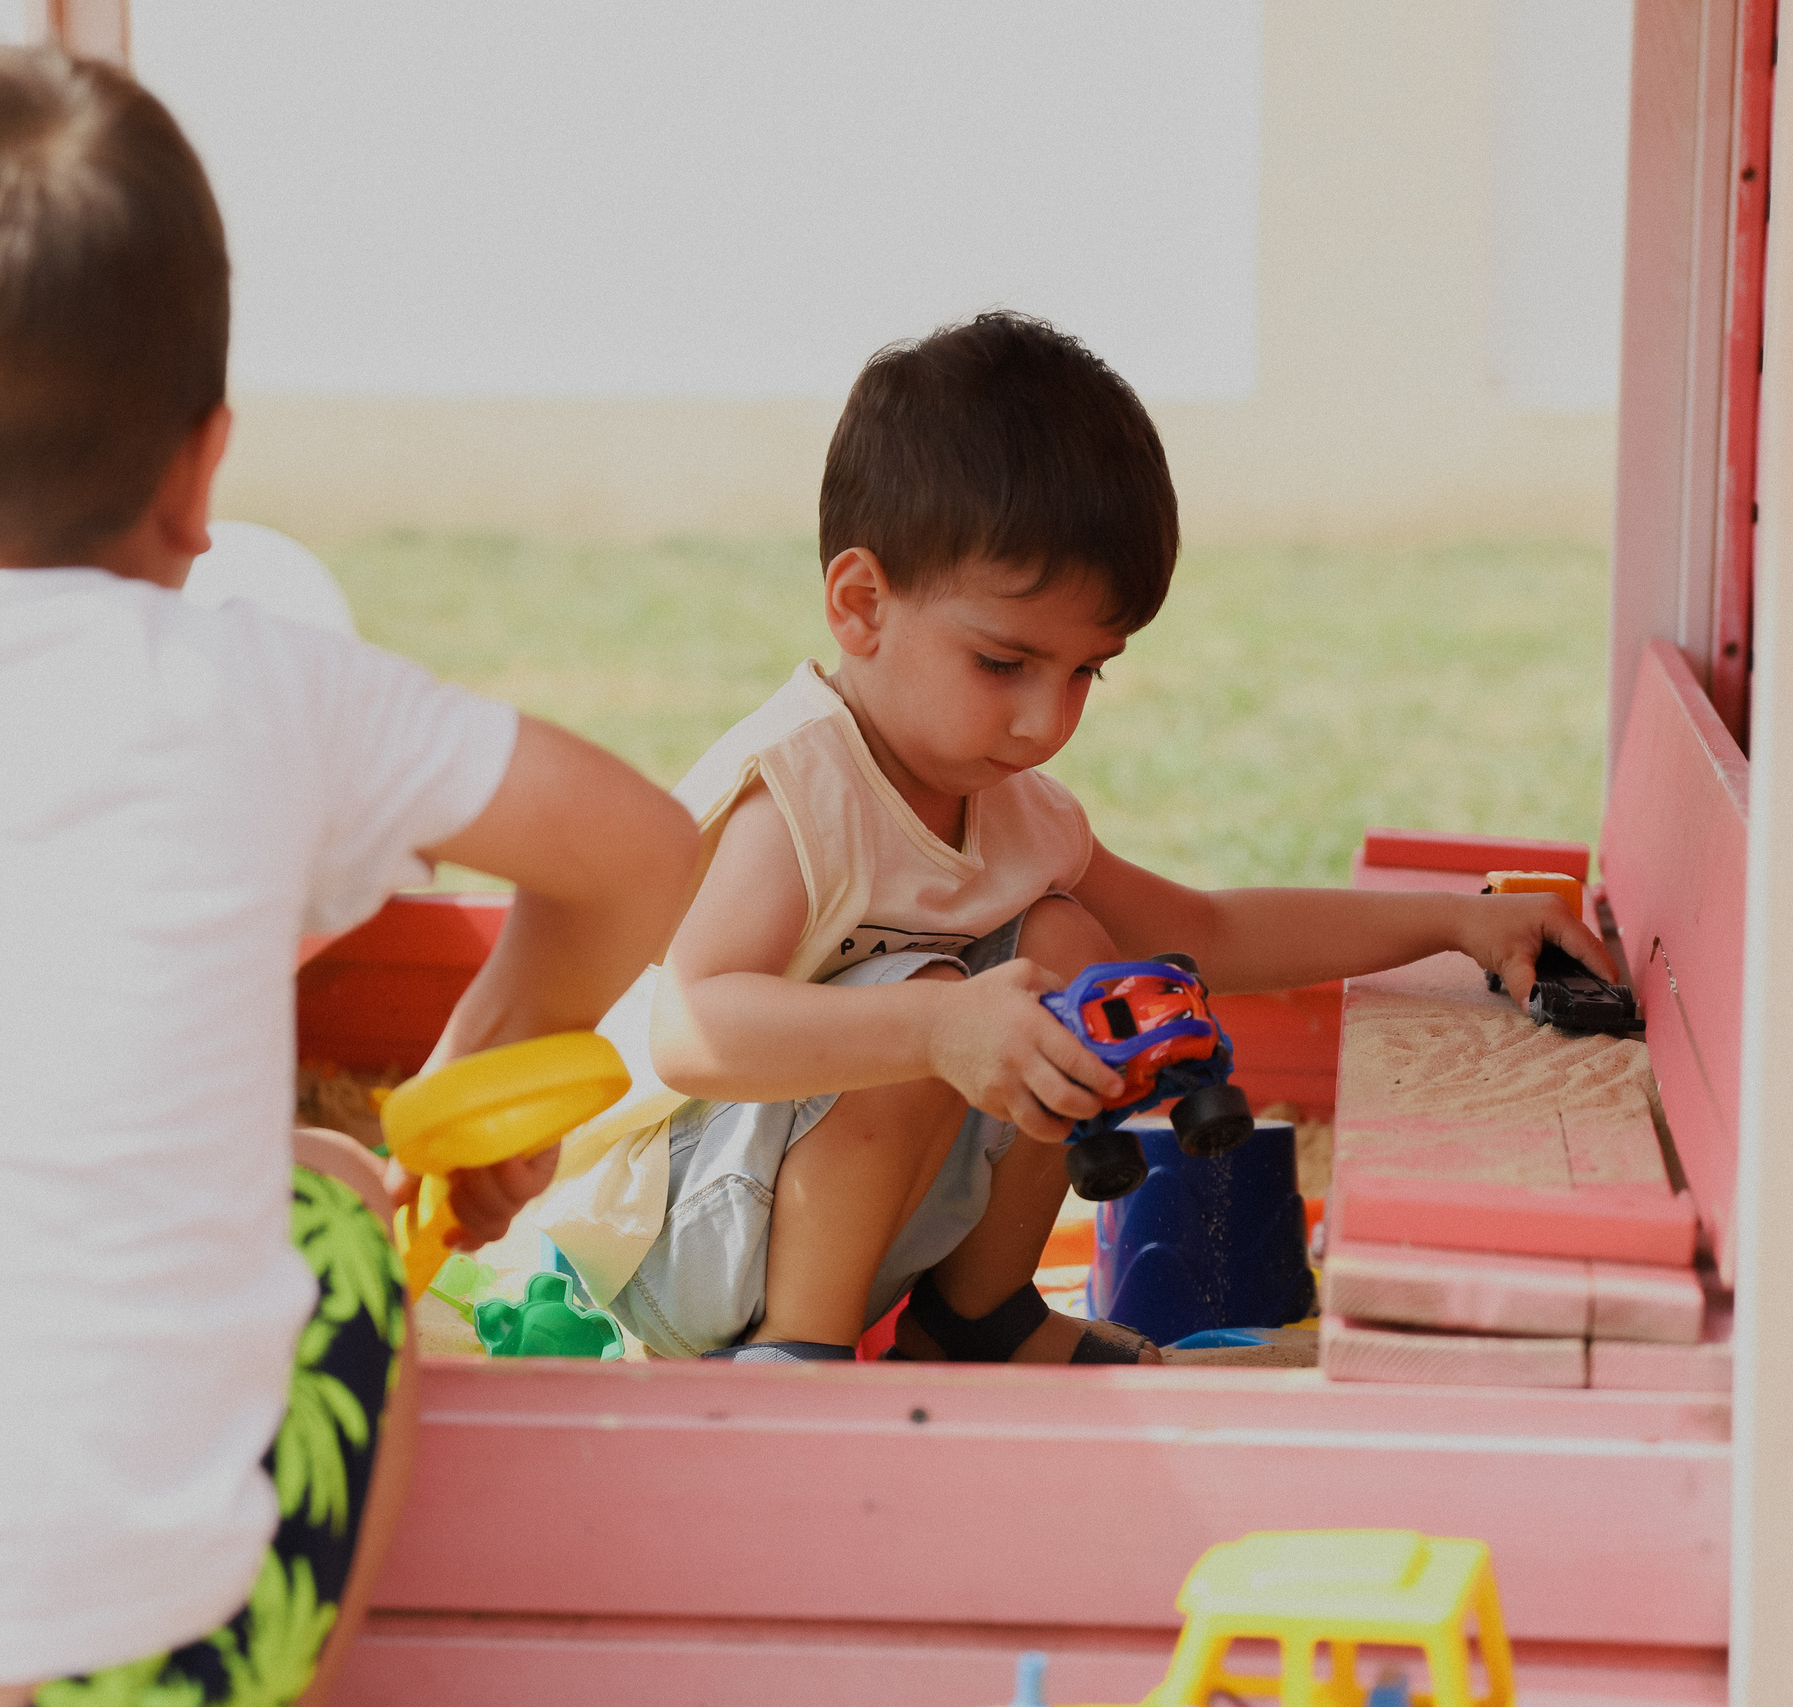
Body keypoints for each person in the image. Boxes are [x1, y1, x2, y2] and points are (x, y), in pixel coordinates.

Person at [0, 46, 696, 1705]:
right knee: (336, 1198)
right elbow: (647, 849)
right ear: (203, 472)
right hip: (116, 1657)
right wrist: (491, 1056)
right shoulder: (253, 685)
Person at [535, 311, 1615, 1367]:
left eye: (1086, 671)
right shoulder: (804, 792)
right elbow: (694, 1033)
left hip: (839, 1213)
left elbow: (1206, 930)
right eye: (1003, 665)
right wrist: (931, 1025)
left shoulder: (1011, 807)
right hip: (678, 1241)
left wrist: (1454, 921)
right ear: (861, 605)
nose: (1045, 721)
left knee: (1066, 945)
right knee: (937, 999)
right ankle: (798, 1366)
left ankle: (976, 1319)